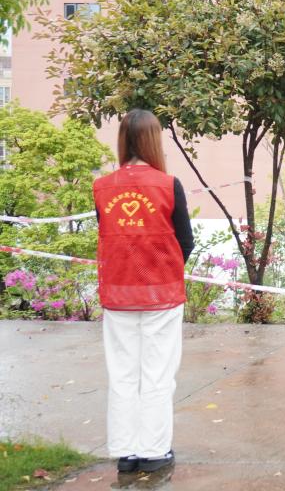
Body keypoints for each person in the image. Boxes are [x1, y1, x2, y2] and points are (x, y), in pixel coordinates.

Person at [94, 109, 194, 474]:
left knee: (122, 373)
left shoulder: (102, 187)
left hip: (118, 294)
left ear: (122, 140)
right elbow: (186, 241)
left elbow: (109, 235)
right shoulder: (169, 186)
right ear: (154, 141)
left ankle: (126, 452)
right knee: (157, 373)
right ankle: (154, 451)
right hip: (160, 296)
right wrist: (162, 268)